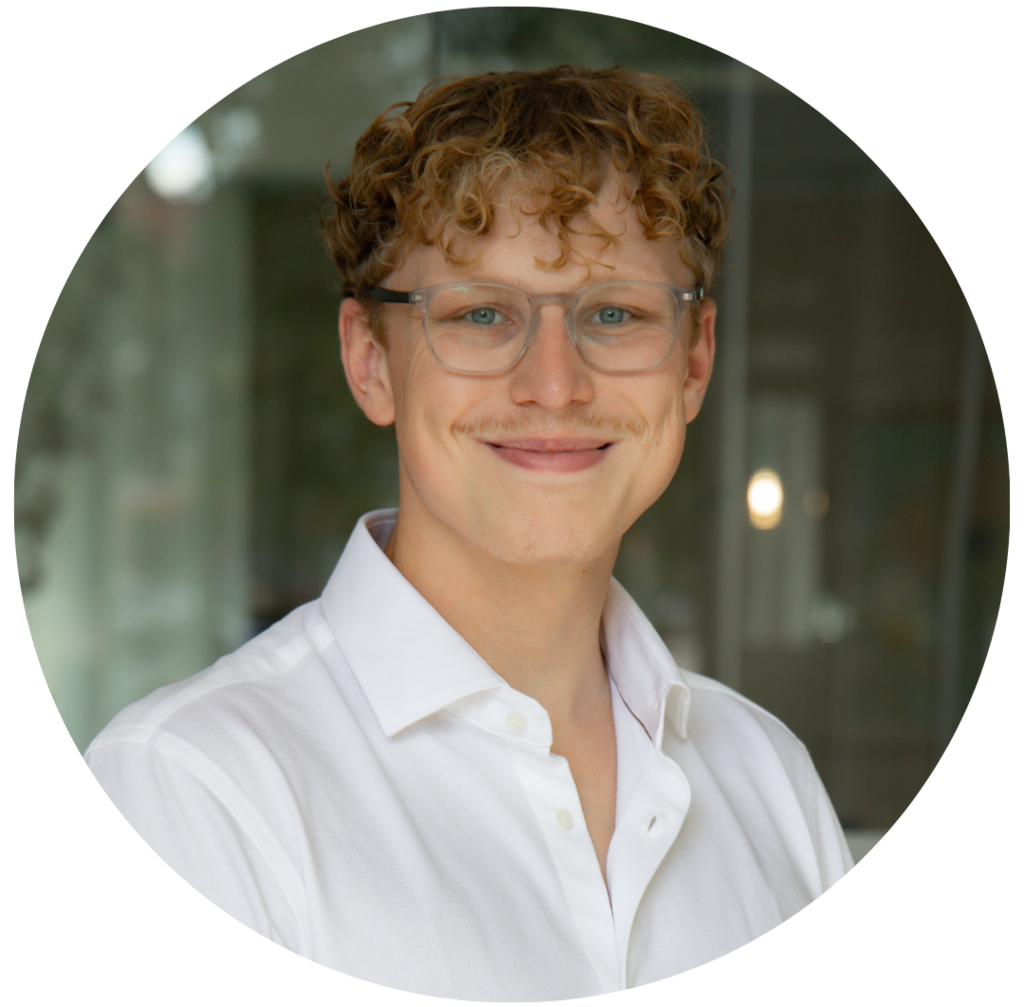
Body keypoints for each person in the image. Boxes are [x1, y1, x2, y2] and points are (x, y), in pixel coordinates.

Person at [84, 66, 853, 996]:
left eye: (615, 313)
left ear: (693, 362)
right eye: (482, 315)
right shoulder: (196, 791)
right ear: (371, 361)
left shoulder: (769, 778)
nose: (555, 385)